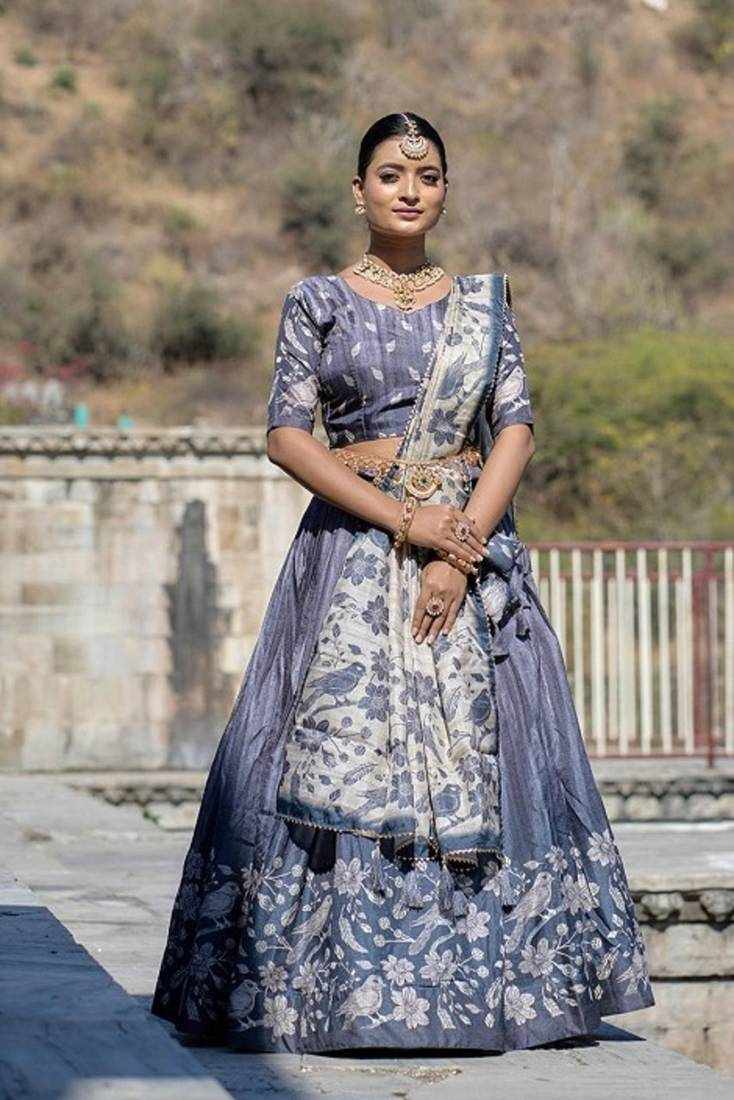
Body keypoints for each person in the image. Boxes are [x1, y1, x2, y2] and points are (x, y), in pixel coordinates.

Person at [150, 111, 654, 1053]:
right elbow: (287, 436)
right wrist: (406, 522)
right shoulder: (317, 300)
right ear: (359, 192)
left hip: (471, 542)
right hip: (353, 548)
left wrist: (458, 552)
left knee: (492, 746)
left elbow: (515, 427)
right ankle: (326, 990)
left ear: (445, 191)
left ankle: (495, 989)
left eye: (427, 175)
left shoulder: (483, 306)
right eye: (390, 174)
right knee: (334, 746)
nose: (409, 189)